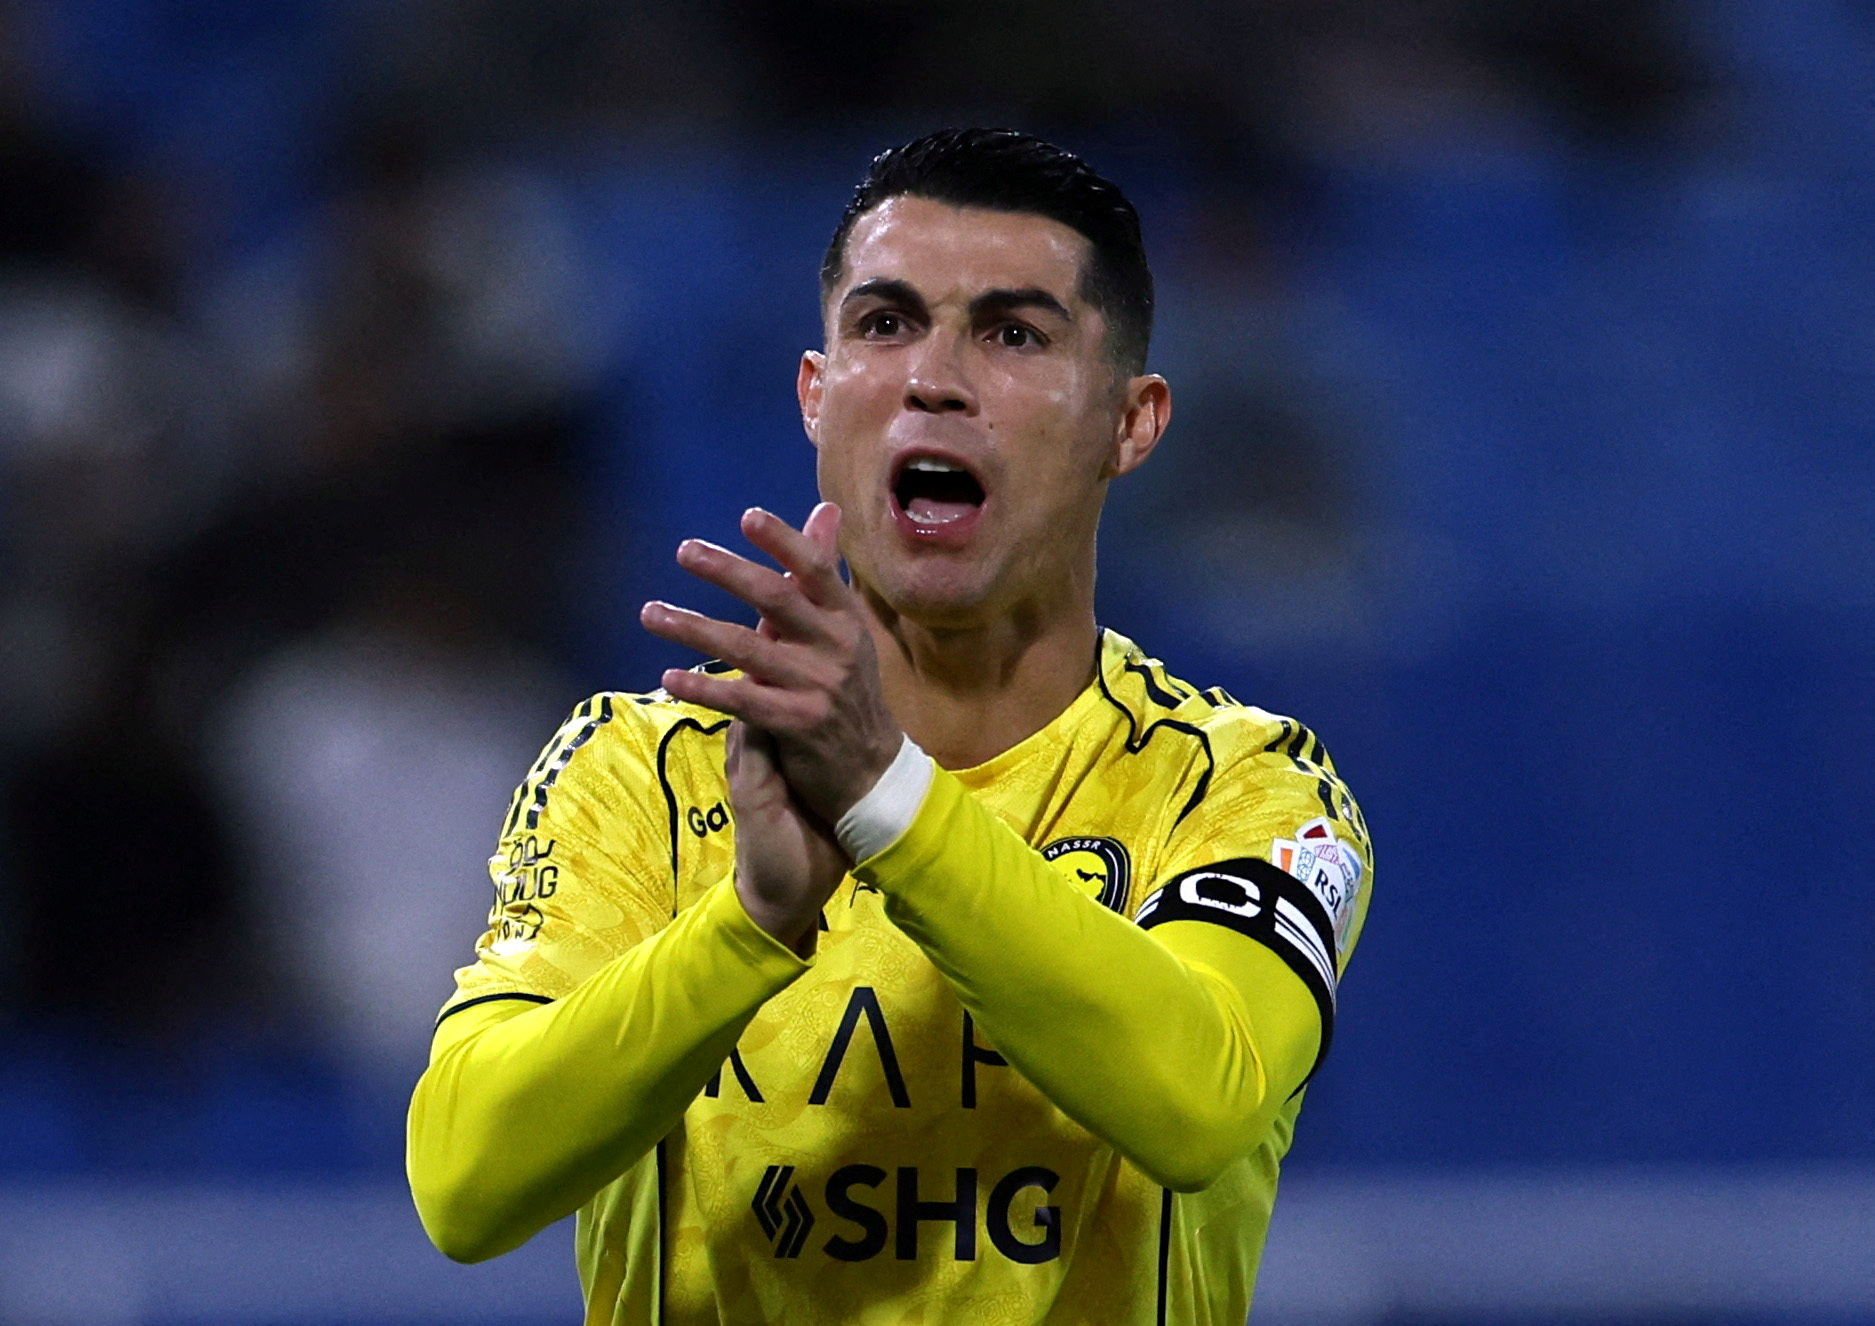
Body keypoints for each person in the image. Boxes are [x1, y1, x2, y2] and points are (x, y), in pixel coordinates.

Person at [407, 128, 1372, 1324]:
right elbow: (464, 1181)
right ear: (817, 396)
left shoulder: (1244, 790)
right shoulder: (638, 771)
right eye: (884, 324)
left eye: (1014, 334)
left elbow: (1198, 1102)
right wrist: (751, 924)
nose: (935, 378)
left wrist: (886, 800)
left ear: (1134, 422)